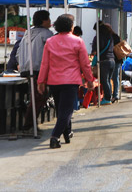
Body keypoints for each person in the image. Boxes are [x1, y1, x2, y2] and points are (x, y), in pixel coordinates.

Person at [37, 14, 95, 149]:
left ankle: (67, 133)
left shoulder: (50, 42)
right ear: (71, 27)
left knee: (60, 109)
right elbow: (85, 64)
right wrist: (89, 80)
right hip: (71, 81)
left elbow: (45, 64)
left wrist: (41, 81)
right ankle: (55, 137)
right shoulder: (77, 41)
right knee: (66, 111)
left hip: (54, 81)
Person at [18, 10, 54, 131]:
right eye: (48, 19)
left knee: (36, 96)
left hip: (26, 68)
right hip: (39, 69)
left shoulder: (27, 33)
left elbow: (18, 53)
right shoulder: (47, 34)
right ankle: (28, 124)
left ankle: (30, 123)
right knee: (39, 96)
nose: (50, 21)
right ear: (44, 21)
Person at [91, 21, 115, 105]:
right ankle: (109, 97)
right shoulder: (110, 36)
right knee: (108, 80)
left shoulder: (98, 37)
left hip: (104, 61)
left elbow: (95, 51)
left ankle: (107, 98)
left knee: (104, 81)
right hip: (112, 60)